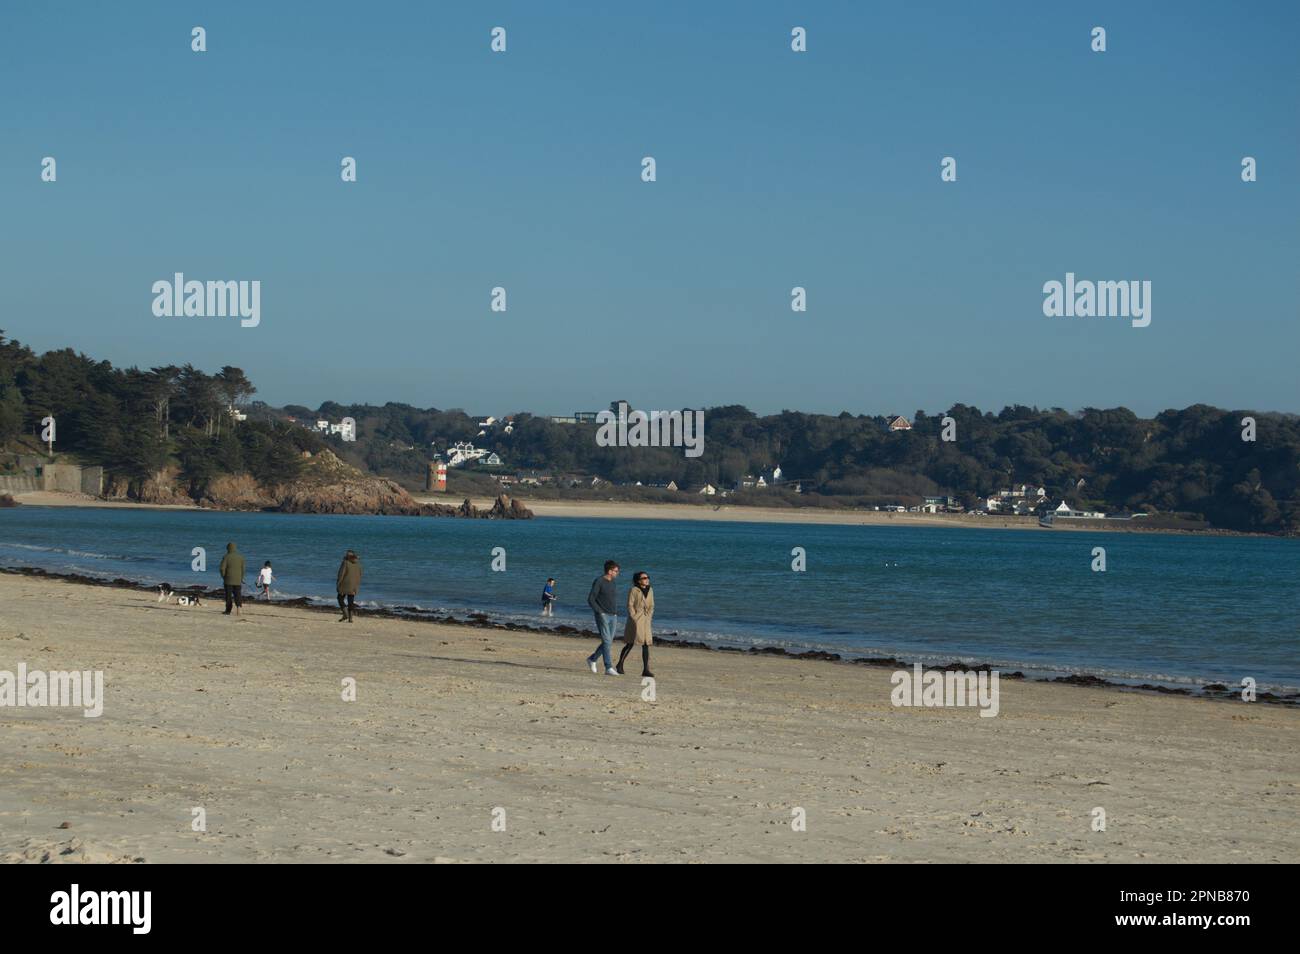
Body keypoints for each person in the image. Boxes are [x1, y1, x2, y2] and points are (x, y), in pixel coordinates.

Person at [616, 571, 655, 677]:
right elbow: (630, 605)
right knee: (631, 642)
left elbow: (652, 605)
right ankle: (620, 664)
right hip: (636, 619)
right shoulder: (634, 590)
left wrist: (649, 616)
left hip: (646, 619)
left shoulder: (650, 590)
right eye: (644, 578)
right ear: (638, 580)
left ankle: (645, 669)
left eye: (648, 577)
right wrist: (634, 617)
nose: (647, 579)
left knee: (646, 644)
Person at [585, 560, 620, 675]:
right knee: (606, 641)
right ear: (609, 571)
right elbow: (591, 599)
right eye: (615, 571)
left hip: (613, 616)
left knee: (608, 642)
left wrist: (615, 613)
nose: (617, 573)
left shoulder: (613, 582)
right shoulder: (599, 581)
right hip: (602, 615)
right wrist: (600, 613)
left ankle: (592, 659)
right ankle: (608, 667)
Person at [218, 542, 245, 616]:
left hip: (228, 580)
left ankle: (228, 610)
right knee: (238, 594)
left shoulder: (226, 557)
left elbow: (222, 568)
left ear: (228, 548)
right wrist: (241, 578)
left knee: (228, 596)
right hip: (238, 580)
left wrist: (223, 576)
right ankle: (239, 607)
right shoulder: (240, 557)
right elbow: (243, 569)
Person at [336, 549, 363, 622]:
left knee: (340, 598)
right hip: (354, 585)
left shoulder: (345, 562)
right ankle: (350, 618)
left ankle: (345, 614)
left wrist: (338, 584)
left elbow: (341, 574)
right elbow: (360, 575)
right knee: (350, 601)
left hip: (344, 584)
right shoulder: (358, 564)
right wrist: (357, 585)